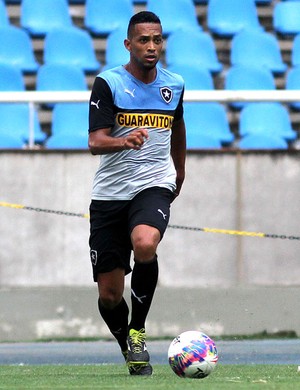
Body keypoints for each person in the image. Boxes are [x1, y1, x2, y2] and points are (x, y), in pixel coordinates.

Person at [88, 11, 186, 376]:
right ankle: (128, 347)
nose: (151, 46)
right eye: (143, 40)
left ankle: (138, 330)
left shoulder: (174, 84)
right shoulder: (109, 83)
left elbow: (177, 128)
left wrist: (180, 172)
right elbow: (95, 142)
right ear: (128, 44)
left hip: (154, 183)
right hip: (110, 194)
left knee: (146, 243)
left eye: (157, 39)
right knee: (110, 295)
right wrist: (123, 140)